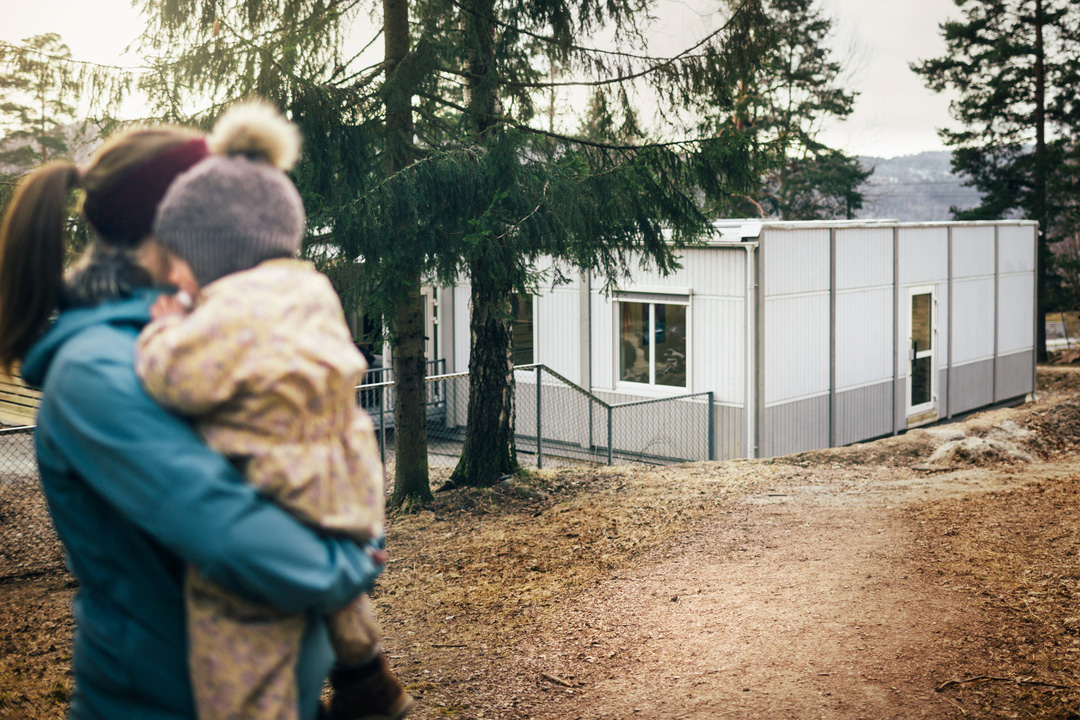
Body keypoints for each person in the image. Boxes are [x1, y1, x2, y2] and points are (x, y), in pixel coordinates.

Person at [0, 119, 382, 720]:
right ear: (175, 229)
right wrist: (351, 560)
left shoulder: (210, 333)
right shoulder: (98, 371)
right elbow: (236, 536)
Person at [134, 101, 412, 720]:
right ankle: (368, 676)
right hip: (349, 488)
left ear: (208, 253)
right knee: (336, 584)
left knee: (235, 635)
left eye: (178, 262)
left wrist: (161, 330)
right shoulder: (311, 288)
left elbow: (173, 378)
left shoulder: (226, 312)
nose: (176, 278)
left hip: (280, 490)